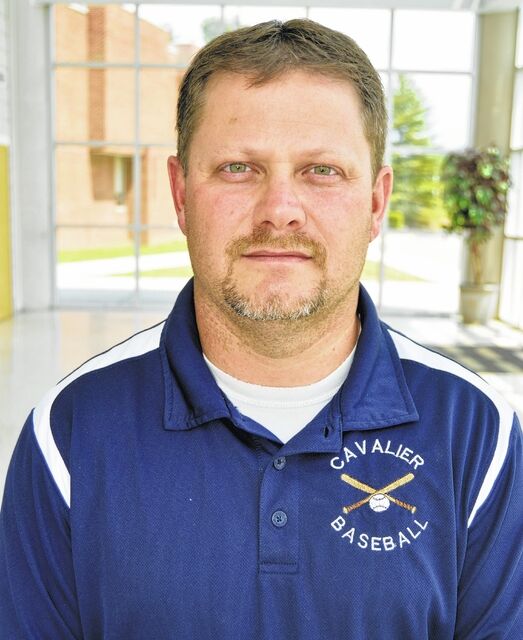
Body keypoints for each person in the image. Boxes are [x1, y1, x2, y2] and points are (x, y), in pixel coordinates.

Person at [1, 18, 521, 639]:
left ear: (376, 202)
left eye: (321, 170)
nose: (279, 211)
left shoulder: (476, 431)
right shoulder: (70, 432)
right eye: (238, 168)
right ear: (181, 194)